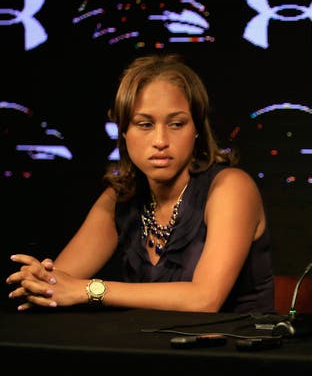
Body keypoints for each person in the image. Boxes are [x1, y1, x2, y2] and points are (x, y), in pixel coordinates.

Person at [6, 53, 274, 313]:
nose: (160, 140)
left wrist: (89, 290)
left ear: (196, 130)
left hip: (237, 353)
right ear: (124, 132)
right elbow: (60, 284)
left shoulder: (230, 188)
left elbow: (204, 300)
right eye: (145, 124)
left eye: (177, 124)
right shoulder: (120, 197)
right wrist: (39, 281)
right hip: (152, 351)